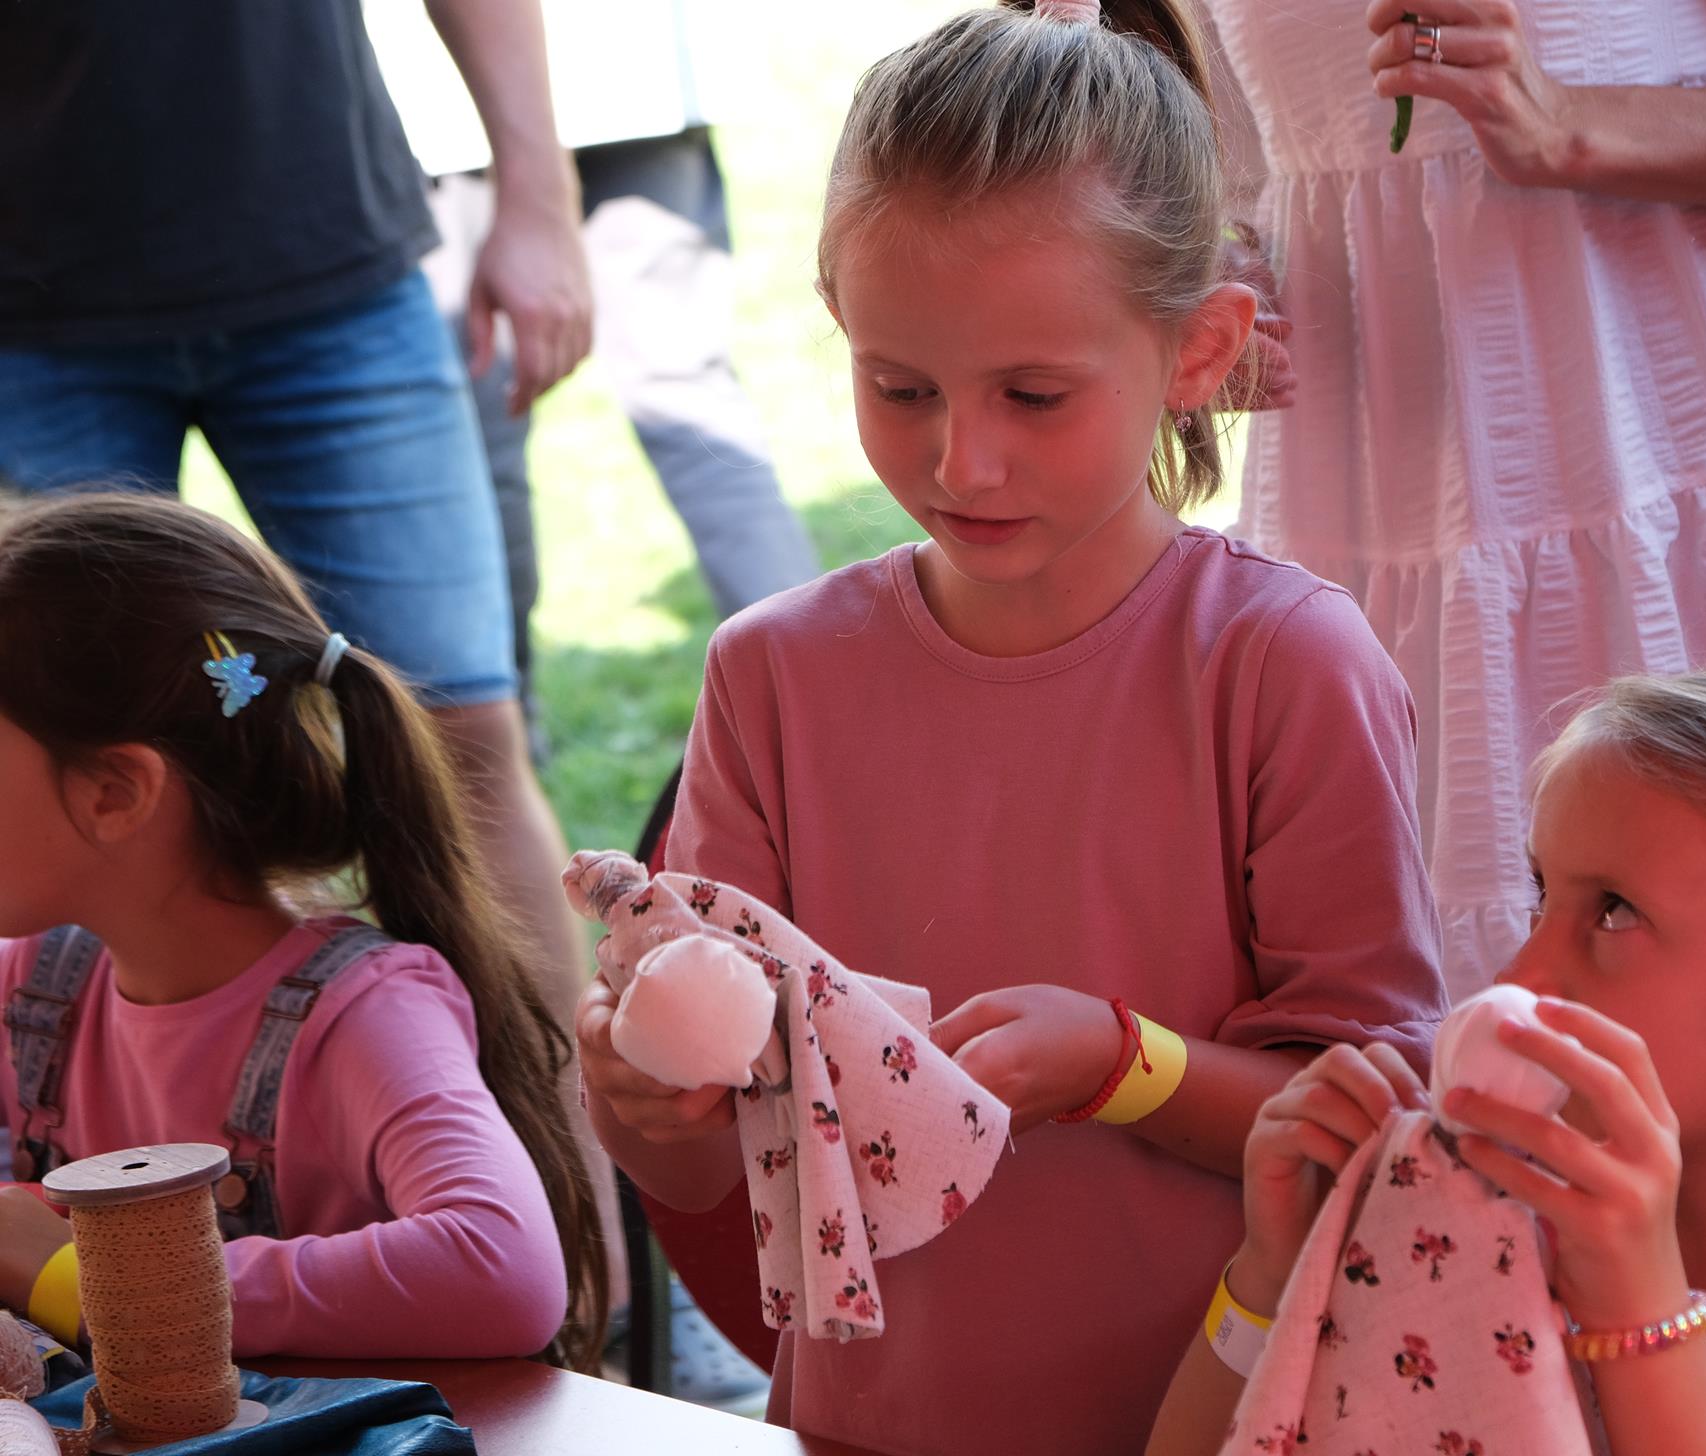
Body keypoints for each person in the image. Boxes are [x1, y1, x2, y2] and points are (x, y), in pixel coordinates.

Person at [576, 4, 1453, 1452]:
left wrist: (1125, 1065)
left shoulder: (1284, 665)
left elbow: (1373, 1119)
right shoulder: (773, 675)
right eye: (899, 387)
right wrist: (641, 1092)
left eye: (1034, 396)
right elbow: (701, 1170)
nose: (961, 460)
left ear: (1200, 350)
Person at [1193, 0, 1706, 985]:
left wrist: (1567, 123)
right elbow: (1235, 162)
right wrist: (1215, 283)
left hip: (1701, 483)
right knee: (1417, 1022)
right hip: (1365, 511)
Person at [1150, 663, 1706, 1456]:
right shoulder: (1498, 1203)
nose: (1518, 975)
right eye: (1541, 895)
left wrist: (1641, 1313)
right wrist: (1278, 1276)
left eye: (1615, 912)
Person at [0, 0, 595, 1012]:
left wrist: (539, 192)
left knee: (460, 732)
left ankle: (552, 1115)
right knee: (69, 775)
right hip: (33, 303)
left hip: (330, 261)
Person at [0, 493, 608, 1366]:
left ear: (115, 793)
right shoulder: (37, 987)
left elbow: (503, 1272)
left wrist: (91, 1280)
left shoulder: (363, 1014)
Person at [369, 0, 821, 758]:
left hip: (474, 102)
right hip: (625, 70)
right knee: (684, 398)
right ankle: (818, 699)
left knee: (485, 432)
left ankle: (499, 748)